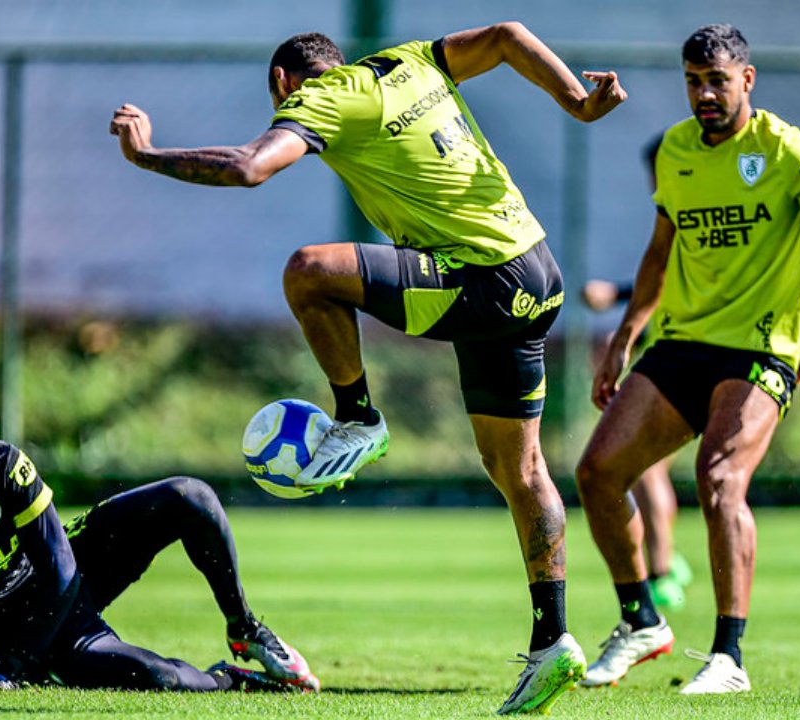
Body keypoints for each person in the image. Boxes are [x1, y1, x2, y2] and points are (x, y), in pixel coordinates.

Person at [110, 22, 627, 714]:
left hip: (485, 278)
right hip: (537, 272)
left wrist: (147, 155)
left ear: (282, 83)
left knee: (308, 272)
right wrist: (576, 100)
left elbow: (247, 166)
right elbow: (505, 35)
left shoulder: (318, 100)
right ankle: (551, 640)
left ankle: (358, 419)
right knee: (520, 469)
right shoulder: (412, 61)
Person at [575, 24, 800, 695]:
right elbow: (661, 251)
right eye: (692, 80)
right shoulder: (678, 150)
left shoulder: (782, 147)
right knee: (597, 473)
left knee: (718, 482)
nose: (704, 94)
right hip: (683, 341)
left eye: (716, 80)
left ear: (747, 79)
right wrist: (627, 334)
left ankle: (728, 658)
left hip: (762, 347)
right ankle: (642, 622)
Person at [0, 397, 318, 693]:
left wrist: (11, 673)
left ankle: (245, 630)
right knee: (160, 679)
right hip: (25, 629)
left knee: (189, 496)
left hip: (60, 576)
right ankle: (231, 681)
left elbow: (63, 569)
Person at [581, 278, 692, 613]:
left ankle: (662, 573)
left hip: (687, 371)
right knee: (648, 472)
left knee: (649, 471)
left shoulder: (690, 257)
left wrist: (614, 295)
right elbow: (658, 296)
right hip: (669, 367)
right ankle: (666, 559)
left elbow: (659, 283)